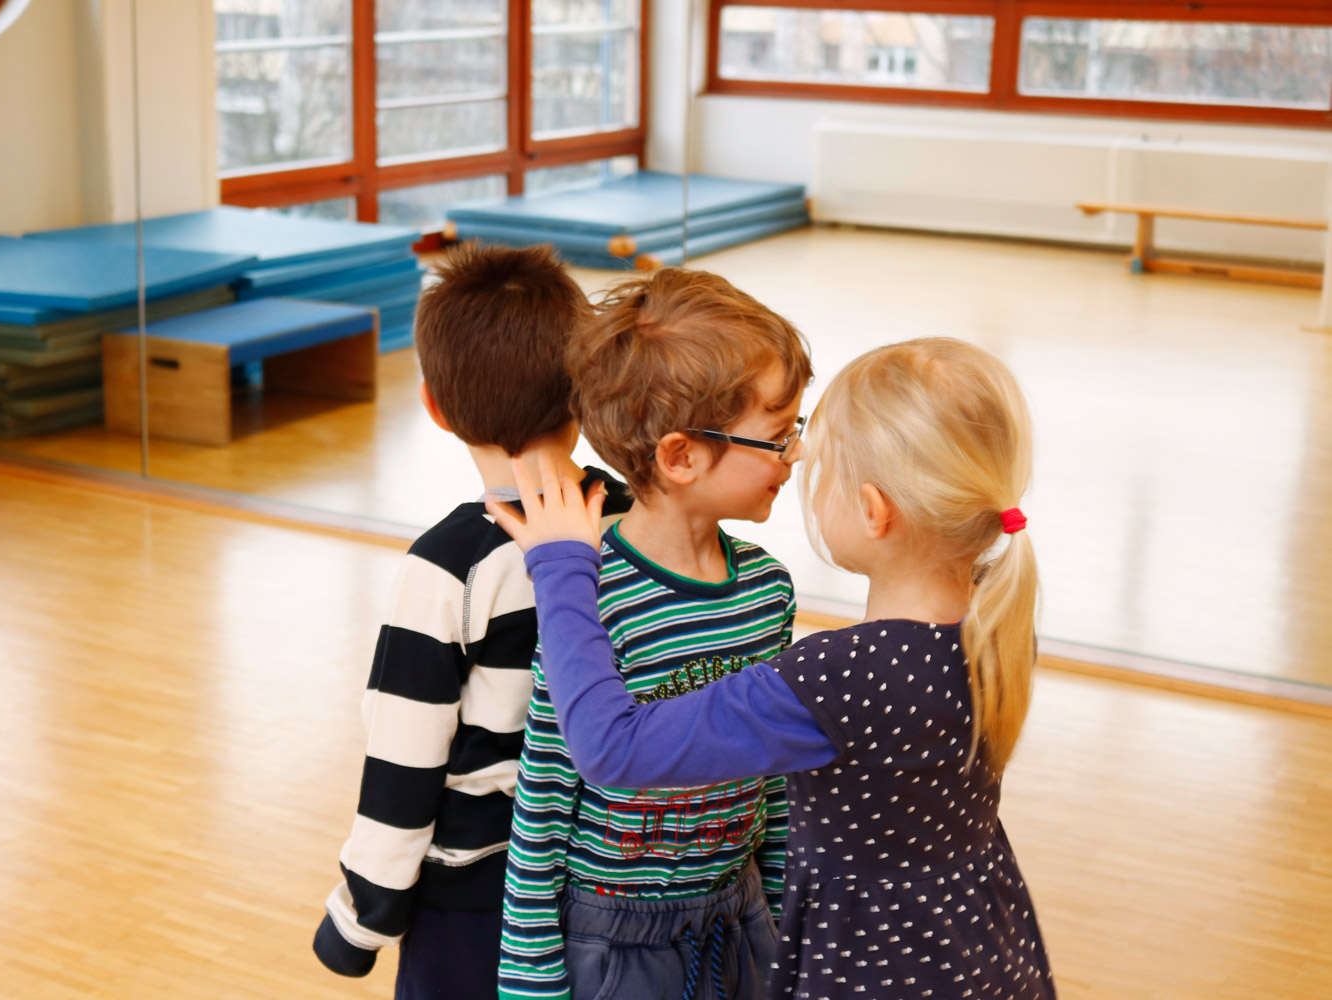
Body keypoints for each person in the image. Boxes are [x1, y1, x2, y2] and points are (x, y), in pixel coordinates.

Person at [490, 336, 1056, 999]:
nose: (793, 467)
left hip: (876, 974)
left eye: (815, 461)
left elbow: (613, 750)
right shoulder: (991, 623)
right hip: (986, 952)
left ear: (874, 511)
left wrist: (560, 566)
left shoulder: (843, 674)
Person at [311, 243, 630, 999]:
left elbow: (405, 759)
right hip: (616, 870)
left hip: (478, 897)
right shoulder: (640, 520)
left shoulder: (448, 566)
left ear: (435, 406)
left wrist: (360, 922)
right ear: (586, 393)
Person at [497, 268, 814, 1000]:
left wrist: (784, 907)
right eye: (777, 436)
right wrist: (531, 981)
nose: (794, 455)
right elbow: (542, 799)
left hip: (739, 917)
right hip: (613, 942)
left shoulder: (768, 588)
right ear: (680, 456)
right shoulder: (591, 598)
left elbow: (774, 778)